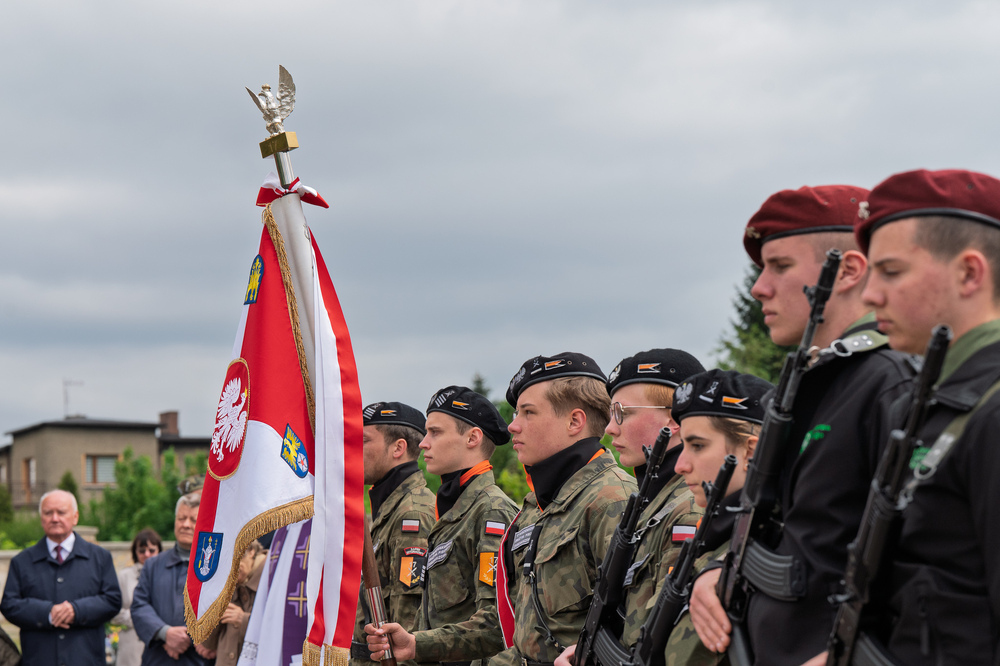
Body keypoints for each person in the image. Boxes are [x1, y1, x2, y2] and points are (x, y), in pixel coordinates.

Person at [687, 185, 915, 665]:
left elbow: (928, 563)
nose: (759, 288)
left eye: (780, 266)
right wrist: (719, 572)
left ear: (849, 270)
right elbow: (775, 530)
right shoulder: (810, 388)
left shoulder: (886, 383)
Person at [851, 168, 1000, 664]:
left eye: (891, 272)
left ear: (969, 273)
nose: (870, 296)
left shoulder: (992, 410)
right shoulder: (923, 400)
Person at [554, 348, 707, 666]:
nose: (610, 428)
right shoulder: (648, 504)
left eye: (621, 413)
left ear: (673, 418)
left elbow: (675, 638)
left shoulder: (689, 508)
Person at [492, 352, 638, 666]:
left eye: (528, 413)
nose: (512, 427)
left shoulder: (612, 499)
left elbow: (636, 627)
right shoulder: (538, 504)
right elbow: (527, 633)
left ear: (574, 421)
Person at [366, 386, 518, 666]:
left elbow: (496, 624)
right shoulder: (452, 513)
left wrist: (415, 645)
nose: (424, 443)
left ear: (473, 438)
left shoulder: (490, 511)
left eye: (435, 432)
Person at [664, 369, 772, 665]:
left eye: (697, 446)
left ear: (750, 451)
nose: (680, 465)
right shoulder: (712, 535)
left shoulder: (777, 544)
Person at [350, 401, 436, 666]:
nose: (354, 449)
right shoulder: (389, 506)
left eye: (364, 440)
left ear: (398, 448)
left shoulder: (412, 513)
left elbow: (408, 622)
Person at [0, 489, 121, 666]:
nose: (55, 518)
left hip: (86, 659)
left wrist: (76, 611)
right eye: (48, 513)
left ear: (75, 517)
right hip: (39, 660)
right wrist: (47, 613)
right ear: (41, 518)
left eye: (61, 512)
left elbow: (112, 600)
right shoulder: (22, 561)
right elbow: (9, 605)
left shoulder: (100, 558)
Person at [132, 492, 216, 665]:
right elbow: (139, 605)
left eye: (193, 519)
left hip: (200, 659)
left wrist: (194, 638)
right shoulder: (153, 565)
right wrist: (165, 633)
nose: (185, 525)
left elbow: (225, 609)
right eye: (181, 518)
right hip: (158, 658)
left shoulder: (216, 567)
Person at [204, 540, 266, 666]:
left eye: (231, 563)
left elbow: (282, 631)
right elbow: (208, 644)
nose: (228, 572)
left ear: (251, 552)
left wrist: (244, 620)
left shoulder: (274, 573)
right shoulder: (228, 581)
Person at [113, 528, 163, 666]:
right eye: (142, 550)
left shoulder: (167, 575)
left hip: (160, 643)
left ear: (159, 550)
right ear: (135, 552)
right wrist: (140, 617)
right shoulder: (124, 576)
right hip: (131, 644)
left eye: (151, 550)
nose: (146, 554)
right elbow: (113, 610)